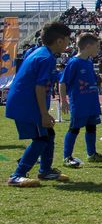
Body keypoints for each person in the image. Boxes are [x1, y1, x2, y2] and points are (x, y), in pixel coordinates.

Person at [6, 22, 72, 187]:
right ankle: (17, 175)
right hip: (27, 105)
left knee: (48, 134)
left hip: (27, 103)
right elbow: (39, 87)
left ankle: (45, 171)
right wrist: (43, 113)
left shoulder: (41, 53)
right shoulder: (46, 58)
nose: (68, 43)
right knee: (41, 138)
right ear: (59, 41)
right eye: (67, 40)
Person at [60, 33, 102, 167]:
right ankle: (67, 157)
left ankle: (92, 154)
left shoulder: (88, 61)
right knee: (74, 129)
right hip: (79, 103)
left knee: (91, 127)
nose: (98, 49)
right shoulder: (74, 62)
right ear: (88, 46)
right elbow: (63, 82)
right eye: (97, 46)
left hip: (92, 102)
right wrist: (63, 100)